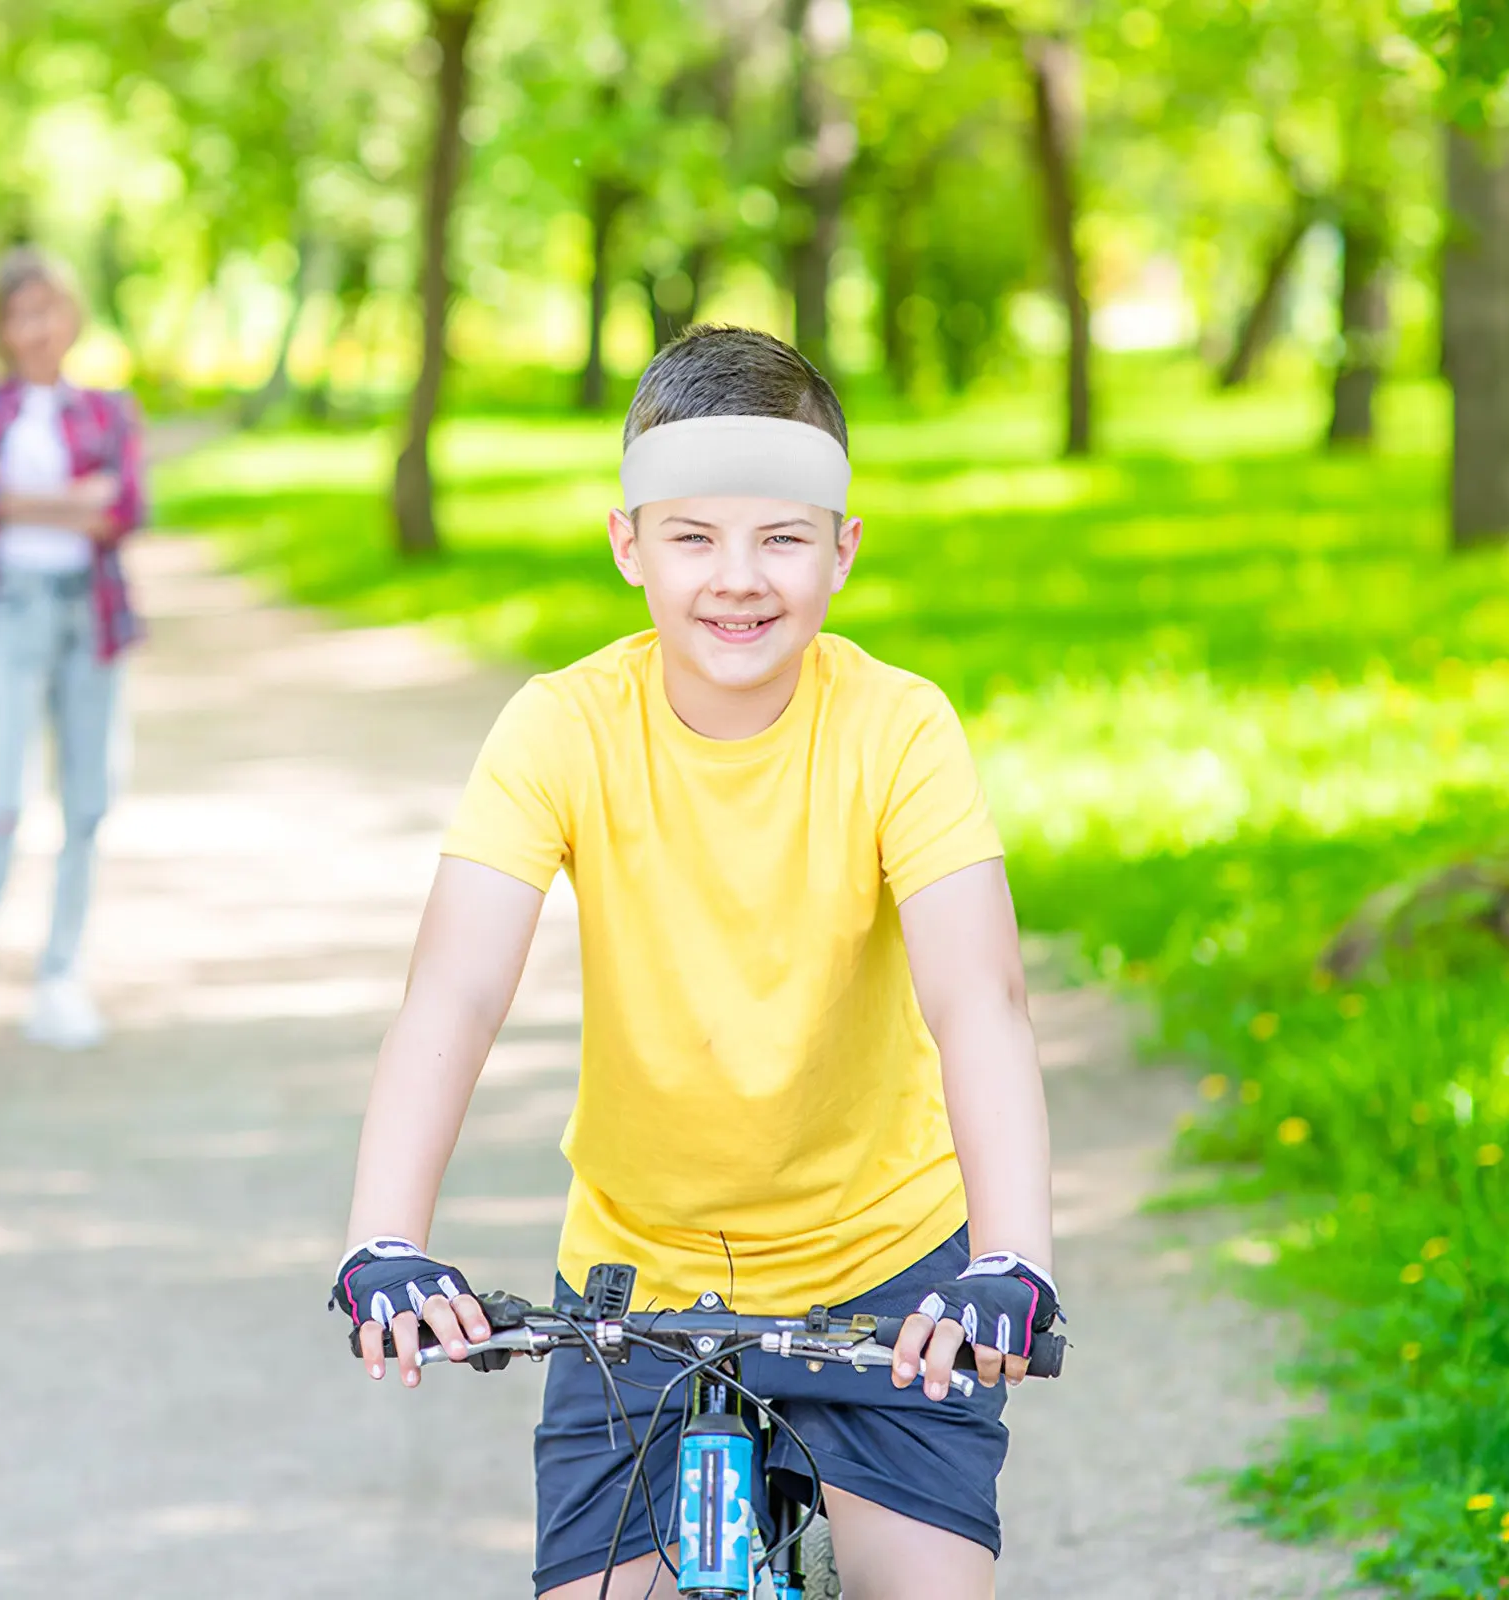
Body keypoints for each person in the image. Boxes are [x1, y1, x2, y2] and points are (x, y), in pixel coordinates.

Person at [330, 325, 1058, 1599]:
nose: (738, 579)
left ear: (843, 547)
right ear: (628, 544)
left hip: (886, 1271)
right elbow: (452, 990)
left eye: (781, 537)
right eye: (692, 537)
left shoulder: (898, 728)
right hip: (635, 1284)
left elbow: (978, 1000)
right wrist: (384, 1236)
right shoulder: (561, 726)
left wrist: (1014, 1256)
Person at [0, 247, 145, 1052]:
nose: (39, 328)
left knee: (88, 804)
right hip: (12, 613)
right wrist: (75, 501)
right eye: (22, 314)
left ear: (71, 317)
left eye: (51, 310)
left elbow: (124, 510)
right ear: (1, 327)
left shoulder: (107, 410)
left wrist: (42, 506)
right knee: (1, 801)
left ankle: (60, 976)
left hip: (88, 617)